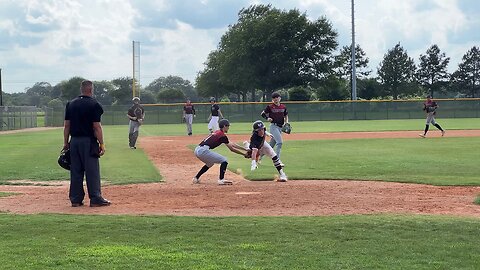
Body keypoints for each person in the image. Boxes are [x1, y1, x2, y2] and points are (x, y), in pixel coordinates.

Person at [63, 80, 111, 207]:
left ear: (81, 89)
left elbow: (67, 125)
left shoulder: (71, 104)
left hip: (74, 142)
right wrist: (102, 144)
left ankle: (75, 199)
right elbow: (96, 127)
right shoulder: (94, 104)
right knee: (92, 171)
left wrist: (65, 143)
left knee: (76, 170)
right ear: (91, 90)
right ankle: (95, 198)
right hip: (88, 141)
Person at [193, 119, 248, 185]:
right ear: (224, 126)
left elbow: (232, 144)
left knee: (210, 163)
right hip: (203, 151)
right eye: (228, 126)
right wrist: (244, 154)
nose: (228, 128)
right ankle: (221, 180)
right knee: (224, 160)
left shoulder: (218, 132)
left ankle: (196, 178)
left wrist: (245, 150)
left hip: (197, 150)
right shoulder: (222, 135)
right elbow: (232, 149)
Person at [261, 92, 289, 158]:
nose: (276, 99)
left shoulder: (283, 107)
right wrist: (267, 118)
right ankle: (278, 160)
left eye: (277, 97)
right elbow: (262, 113)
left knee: (271, 145)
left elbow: (286, 115)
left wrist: (287, 122)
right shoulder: (270, 107)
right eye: (274, 97)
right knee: (279, 142)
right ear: (272, 99)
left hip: (280, 127)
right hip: (273, 126)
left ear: (280, 98)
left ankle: (259, 156)